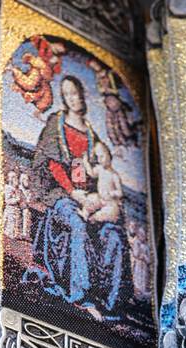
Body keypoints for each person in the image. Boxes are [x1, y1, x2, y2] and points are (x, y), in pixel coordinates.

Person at [29, 74, 132, 321]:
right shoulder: (57, 123)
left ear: (83, 95)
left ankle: (111, 301)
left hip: (88, 195)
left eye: (76, 93)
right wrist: (74, 193)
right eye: (68, 95)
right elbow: (52, 165)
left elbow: (96, 170)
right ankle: (81, 296)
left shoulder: (89, 131)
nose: (73, 99)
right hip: (61, 195)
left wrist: (95, 196)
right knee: (77, 223)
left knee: (114, 234)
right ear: (64, 99)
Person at [79, 141, 122, 224]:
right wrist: (85, 162)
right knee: (90, 200)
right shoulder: (100, 169)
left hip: (110, 203)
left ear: (109, 155)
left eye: (102, 156)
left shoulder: (114, 175)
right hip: (100, 198)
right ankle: (84, 214)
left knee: (109, 213)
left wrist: (112, 193)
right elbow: (91, 173)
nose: (99, 160)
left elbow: (120, 192)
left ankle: (93, 218)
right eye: (98, 157)